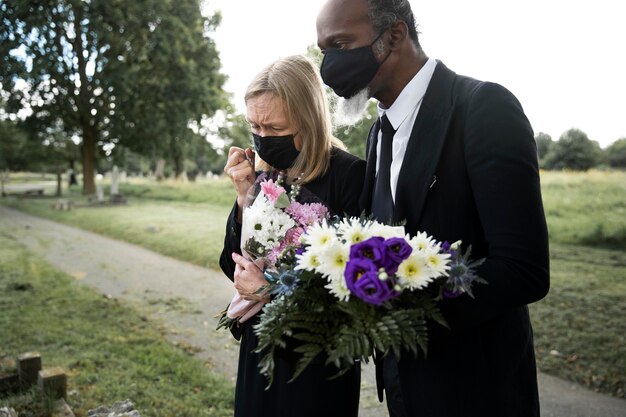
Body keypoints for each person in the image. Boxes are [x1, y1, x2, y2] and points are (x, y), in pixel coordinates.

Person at [316, 1, 550, 417]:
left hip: (477, 389)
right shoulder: (378, 133)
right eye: (324, 51)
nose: (329, 64)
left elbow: (524, 271)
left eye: (340, 44)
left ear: (394, 36)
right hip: (404, 387)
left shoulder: (482, 108)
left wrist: (398, 305)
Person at [218, 55, 365, 417]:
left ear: (308, 119)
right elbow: (229, 264)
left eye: (274, 127)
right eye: (254, 126)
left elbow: (355, 288)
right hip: (260, 346)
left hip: (316, 357)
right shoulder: (265, 176)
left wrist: (272, 290)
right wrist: (243, 196)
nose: (262, 138)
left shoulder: (350, 176)